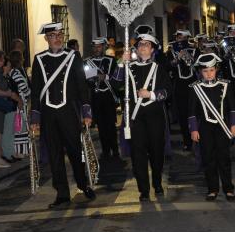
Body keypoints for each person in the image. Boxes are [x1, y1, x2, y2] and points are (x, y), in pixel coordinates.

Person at [30, 22, 96, 208]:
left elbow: (82, 85)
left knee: (76, 152)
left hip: (69, 113)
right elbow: (35, 90)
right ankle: (62, 193)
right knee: (54, 154)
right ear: (46, 39)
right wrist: (35, 117)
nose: (57, 39)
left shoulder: (73, 56)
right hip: (49, 115)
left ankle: (83, 184)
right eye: (53, 36)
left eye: (60, 35)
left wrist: (86, 110)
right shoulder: (39, 59)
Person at [114, 33, 171, 201]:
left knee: (156, 152)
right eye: (140, 45)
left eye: (146, 45)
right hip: (135, 118)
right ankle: (143, 190)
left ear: (152, 49)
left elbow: (168, 91)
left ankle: (157, 183)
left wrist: (151, 94)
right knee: (137, 155)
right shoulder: (128, 67)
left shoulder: (159, 68)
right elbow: (115, 83)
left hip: (155, 117)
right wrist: (120, 62)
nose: (142, 47)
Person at [188, 53, 235, 201]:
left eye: (211, 70)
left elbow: (233, 107)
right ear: (200, 72)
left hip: (222, 128)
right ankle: (212, 189)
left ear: (216, 69)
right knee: (208, 158)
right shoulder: (195, 88)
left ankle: (228, 189)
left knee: (224, 158)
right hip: (204, 128)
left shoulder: (225, 84)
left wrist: (234, 124)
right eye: (205, 71)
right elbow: (191, 111)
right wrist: (193, 129)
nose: (209, 74)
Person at [84, 38, 119, 159]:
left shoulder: (111, 60)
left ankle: (115, 150)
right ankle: (105, 150)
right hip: (96, 97)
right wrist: (91, 79)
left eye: (99, 46)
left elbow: (118, 77)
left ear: (104, 47)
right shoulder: (87, 62)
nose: (96, 49)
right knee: (101, 125)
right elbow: (86, 81)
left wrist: (106, 76)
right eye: (94, 47)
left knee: (111, 125)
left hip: (108, 96)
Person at [168, 30, 197, 151]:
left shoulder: (195, 50)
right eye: (178, 37)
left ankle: (197, 138)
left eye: (183, 37)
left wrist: (190, 58)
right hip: (179, 87)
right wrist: (177, 58)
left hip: (193, 85)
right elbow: (168, 66)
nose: (180, 39)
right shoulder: (170, 51)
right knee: (183, 116)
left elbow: (199, 67)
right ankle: (187, 142)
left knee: (195, 112)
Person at [8, 50, 31, 158]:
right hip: (20, 103)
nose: (24, 59)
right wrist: (30, 92)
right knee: (20, 127)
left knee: (20, 127)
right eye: (22, 57)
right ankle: (20, 152)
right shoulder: (15, 73)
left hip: (19, 103)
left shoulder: (12, 72)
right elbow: (24, 87)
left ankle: (21, 151)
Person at [1, 56, 22, 162]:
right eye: (8, 65)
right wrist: (19, 100)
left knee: (12, 131)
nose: (10, 67)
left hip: (12, 107)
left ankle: (11, 152)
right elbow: (10, 93)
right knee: (7, 132)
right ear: (3, 66)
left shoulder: (8, 78)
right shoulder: (3, 79)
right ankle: (6, 154)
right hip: (8, 107)